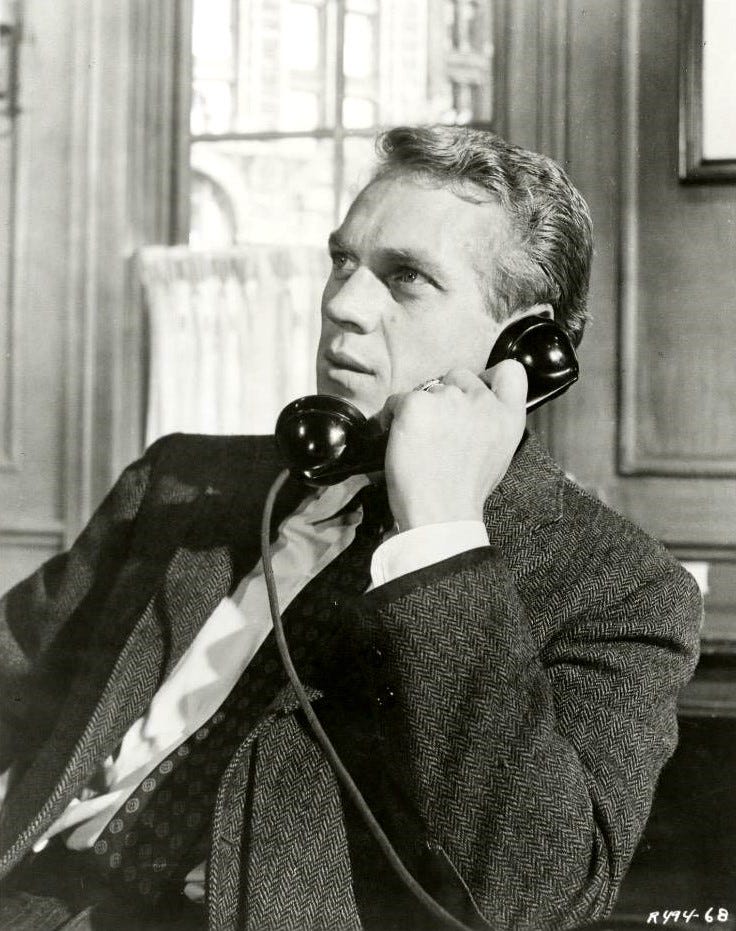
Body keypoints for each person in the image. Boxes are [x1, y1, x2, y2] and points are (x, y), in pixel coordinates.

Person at [0, 125, 701, 931]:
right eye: (342, 261)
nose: (342, 304)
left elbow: (536, 894)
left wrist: (440, 539)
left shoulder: (617, 587)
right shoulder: (181, 482)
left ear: (526, 343)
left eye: (406, 278)